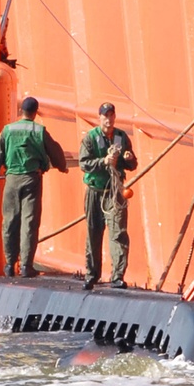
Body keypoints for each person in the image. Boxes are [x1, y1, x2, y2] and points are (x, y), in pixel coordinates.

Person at [0, 97, 68, 278]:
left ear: (21, 110)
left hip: (11, 180)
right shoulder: (39, 130)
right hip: (31, 179)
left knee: (9, 222)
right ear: (35, 112)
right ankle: (26, 266)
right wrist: (62, 167)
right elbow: (54, 150)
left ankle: (9, 264)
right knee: (29, 222)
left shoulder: (8, 130)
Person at [79, 102, 138, 290]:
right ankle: (92, 274)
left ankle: (117, 275)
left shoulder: (121, 137)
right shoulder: (90, 138)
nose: (109, 119)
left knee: (118, 233)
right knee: (93, 232)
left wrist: (129, 159)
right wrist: (103, 162)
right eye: (105, 116)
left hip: (114, 192)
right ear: (100, 118)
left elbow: (132, 164)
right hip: (95, 191)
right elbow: (84, 163)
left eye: (112, 115)